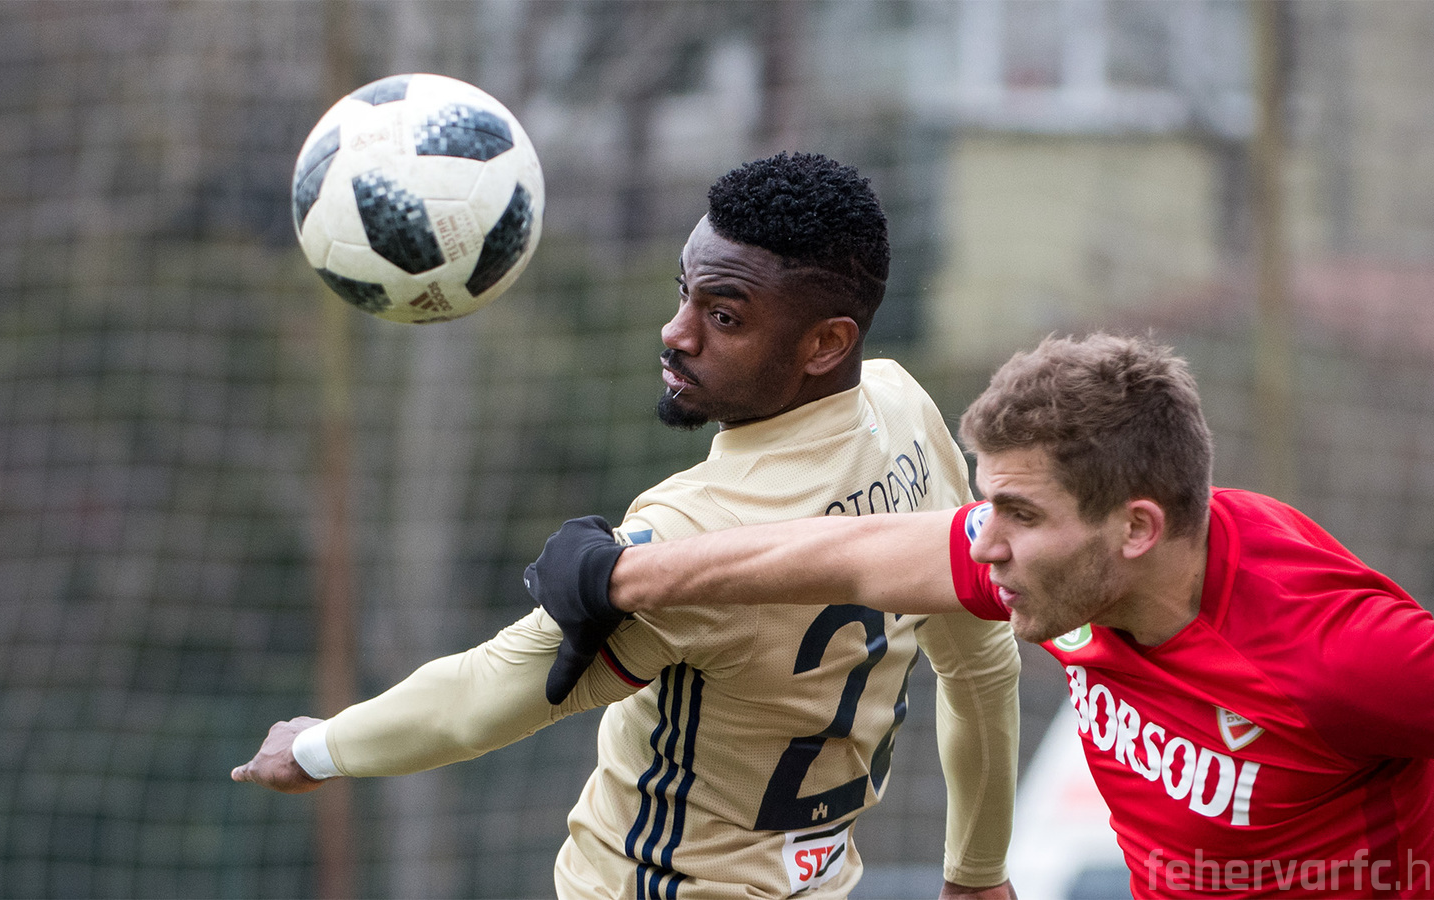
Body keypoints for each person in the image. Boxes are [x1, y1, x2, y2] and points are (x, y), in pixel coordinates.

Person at [234, 152, 1022, 899]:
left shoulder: (694, 535)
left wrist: (317, 747)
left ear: (825, 343)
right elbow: (981, 663)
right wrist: (978, 867)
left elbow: (491, 693)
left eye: (723, 315)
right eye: (684, 293)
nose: (677, 332)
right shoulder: (904, 414)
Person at [529, 332, 1434, 899]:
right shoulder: (1062, 568)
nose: (984, 546)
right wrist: (623, 574)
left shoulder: (1339, 654)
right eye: (988, 507)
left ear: (1136, 528)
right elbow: (855, 553)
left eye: (1018, 514)